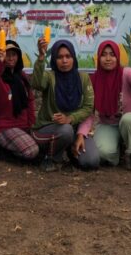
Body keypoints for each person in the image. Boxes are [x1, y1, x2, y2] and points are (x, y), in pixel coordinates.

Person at [82, 40, 131, 171]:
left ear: (117, 57)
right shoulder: (94, 79)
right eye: (104, 55)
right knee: (103, 154)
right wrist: (82, 133)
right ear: (99, 57)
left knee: (128, 120)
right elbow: (89, 111)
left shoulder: (126, 73)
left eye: (112, 54)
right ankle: (119, 149)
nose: (108, 59)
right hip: (108, 124)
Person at [31, 38, 98, 171]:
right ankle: (51, 158)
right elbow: (37, 83)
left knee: (91, 161)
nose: (64, 61)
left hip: (75, 130)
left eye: (68, 56)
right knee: (66, 130)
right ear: (54, 60)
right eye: (60, 57)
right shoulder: (50, 77)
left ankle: (69, 151)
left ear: (74, 57)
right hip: (48, 129)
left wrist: (70, 119)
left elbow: (88, 107)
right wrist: (41, 57)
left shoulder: (83, 78)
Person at [0, 39, 38, 161]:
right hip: (6, 128)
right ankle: (5, 152)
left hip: (24, 126)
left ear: (18, 57)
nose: (10, 58)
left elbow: (30, 101)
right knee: (32, 151)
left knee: (44, 145)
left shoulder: (22, 76)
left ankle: (11, 149)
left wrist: (31, 124)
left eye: (14, 54)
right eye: (7, 55)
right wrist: (0, 61)